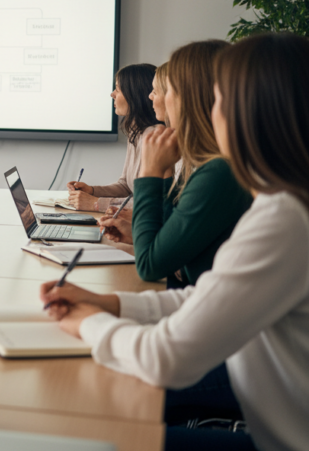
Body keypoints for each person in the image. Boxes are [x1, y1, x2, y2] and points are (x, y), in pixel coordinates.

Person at [40, 32, 309, 451]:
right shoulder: (283, 201)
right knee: (90, 446)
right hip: (276, 447)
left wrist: (85, 323)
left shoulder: (284, 217)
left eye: (219, 99)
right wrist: (114, 304)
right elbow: (209, 294)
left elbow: (165, 357)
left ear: (249, 112)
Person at [100, 41, 252, 285]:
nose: (151, 96)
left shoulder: (218, 172)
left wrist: (151, 172)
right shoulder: (201, 163)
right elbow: (171, 244)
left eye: (164, 89)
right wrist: (138, 234)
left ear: (190, 97)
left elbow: (150, 267)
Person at [67, 64, 161, 211]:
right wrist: (92, 191)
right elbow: (126, 186)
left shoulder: (157, 138)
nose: (112, 94)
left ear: (135, 94)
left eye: (118, 89)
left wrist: (96, 204)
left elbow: (152, 204)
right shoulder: (136, 132)